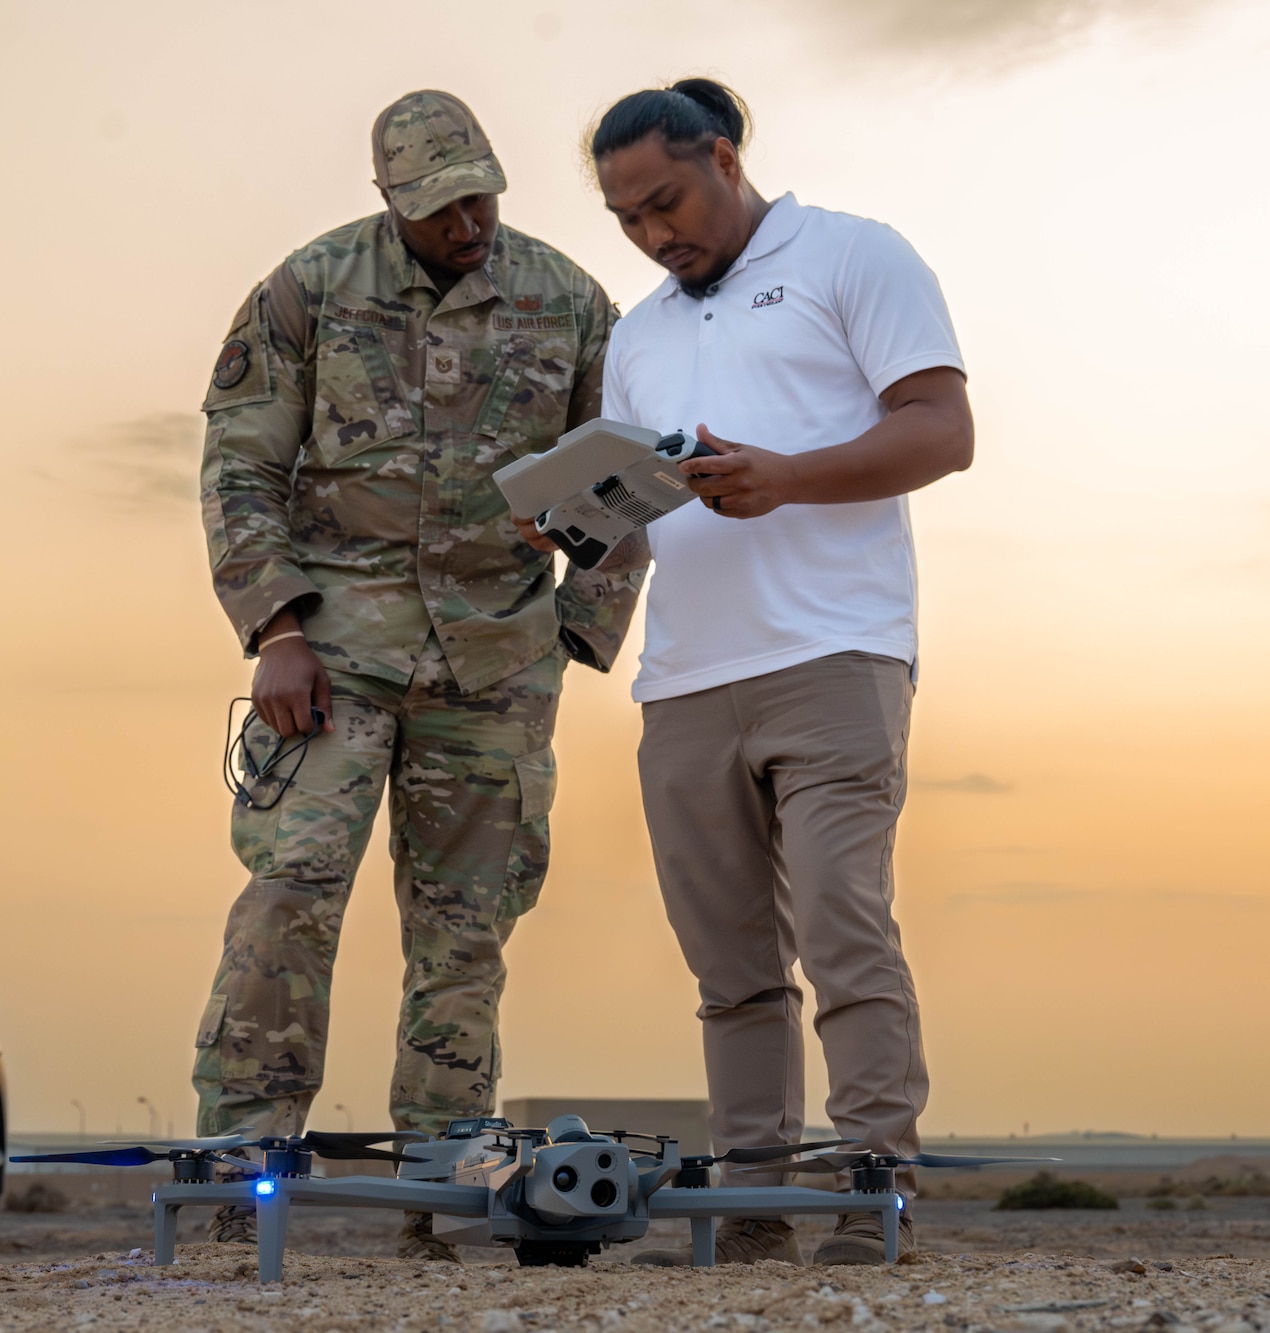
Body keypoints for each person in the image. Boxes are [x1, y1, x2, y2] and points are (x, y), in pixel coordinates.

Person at [194, 89, 646, 1261]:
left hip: (496, 656)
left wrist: (580, 625)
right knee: (291, 888)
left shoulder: (568, 301)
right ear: (394, 199)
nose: (471, 221)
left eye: (484, 194)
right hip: (336, 648)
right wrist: (275, 628)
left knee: (467, 930)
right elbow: (241, 464)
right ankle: (238, 1165)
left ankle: (441, 1190)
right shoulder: (309, 289)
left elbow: (629, 472)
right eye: (445, 204)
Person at [550, 78, 974, 1266]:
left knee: (842, 923)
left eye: (666, 201)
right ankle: (749, 1208)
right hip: (684, 679)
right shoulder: (637, 335)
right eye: (627, 218)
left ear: (723, 158)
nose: (652, 234)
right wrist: (571, 521)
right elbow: (632, 514)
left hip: (835, 652)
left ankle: (871, 1190)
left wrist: (785, 474)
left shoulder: (852, 255)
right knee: (729, 965)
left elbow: (942, 432)